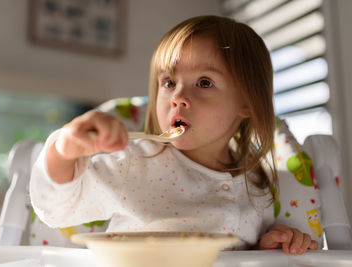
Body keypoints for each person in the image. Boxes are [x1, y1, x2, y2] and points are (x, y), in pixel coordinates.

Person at [30, 15, 318, 254]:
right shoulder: (136, 163)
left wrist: (267, 246)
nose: (178, 96)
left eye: (204, 82)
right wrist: (65, 150)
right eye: (169, 82)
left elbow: (243, 254)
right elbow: (58, 206)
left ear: (246, 103)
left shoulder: (257, 184)